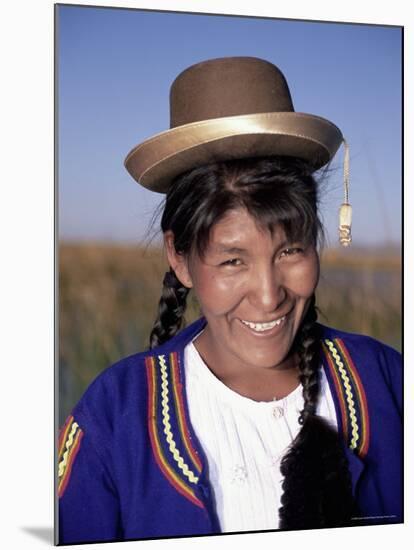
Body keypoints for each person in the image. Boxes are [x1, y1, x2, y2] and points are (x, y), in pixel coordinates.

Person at [58, 57, 402, 545]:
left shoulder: (386, 382)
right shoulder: (113, 417)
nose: (268, 296)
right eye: (233, 261)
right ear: (180, 258)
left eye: (290, 250)